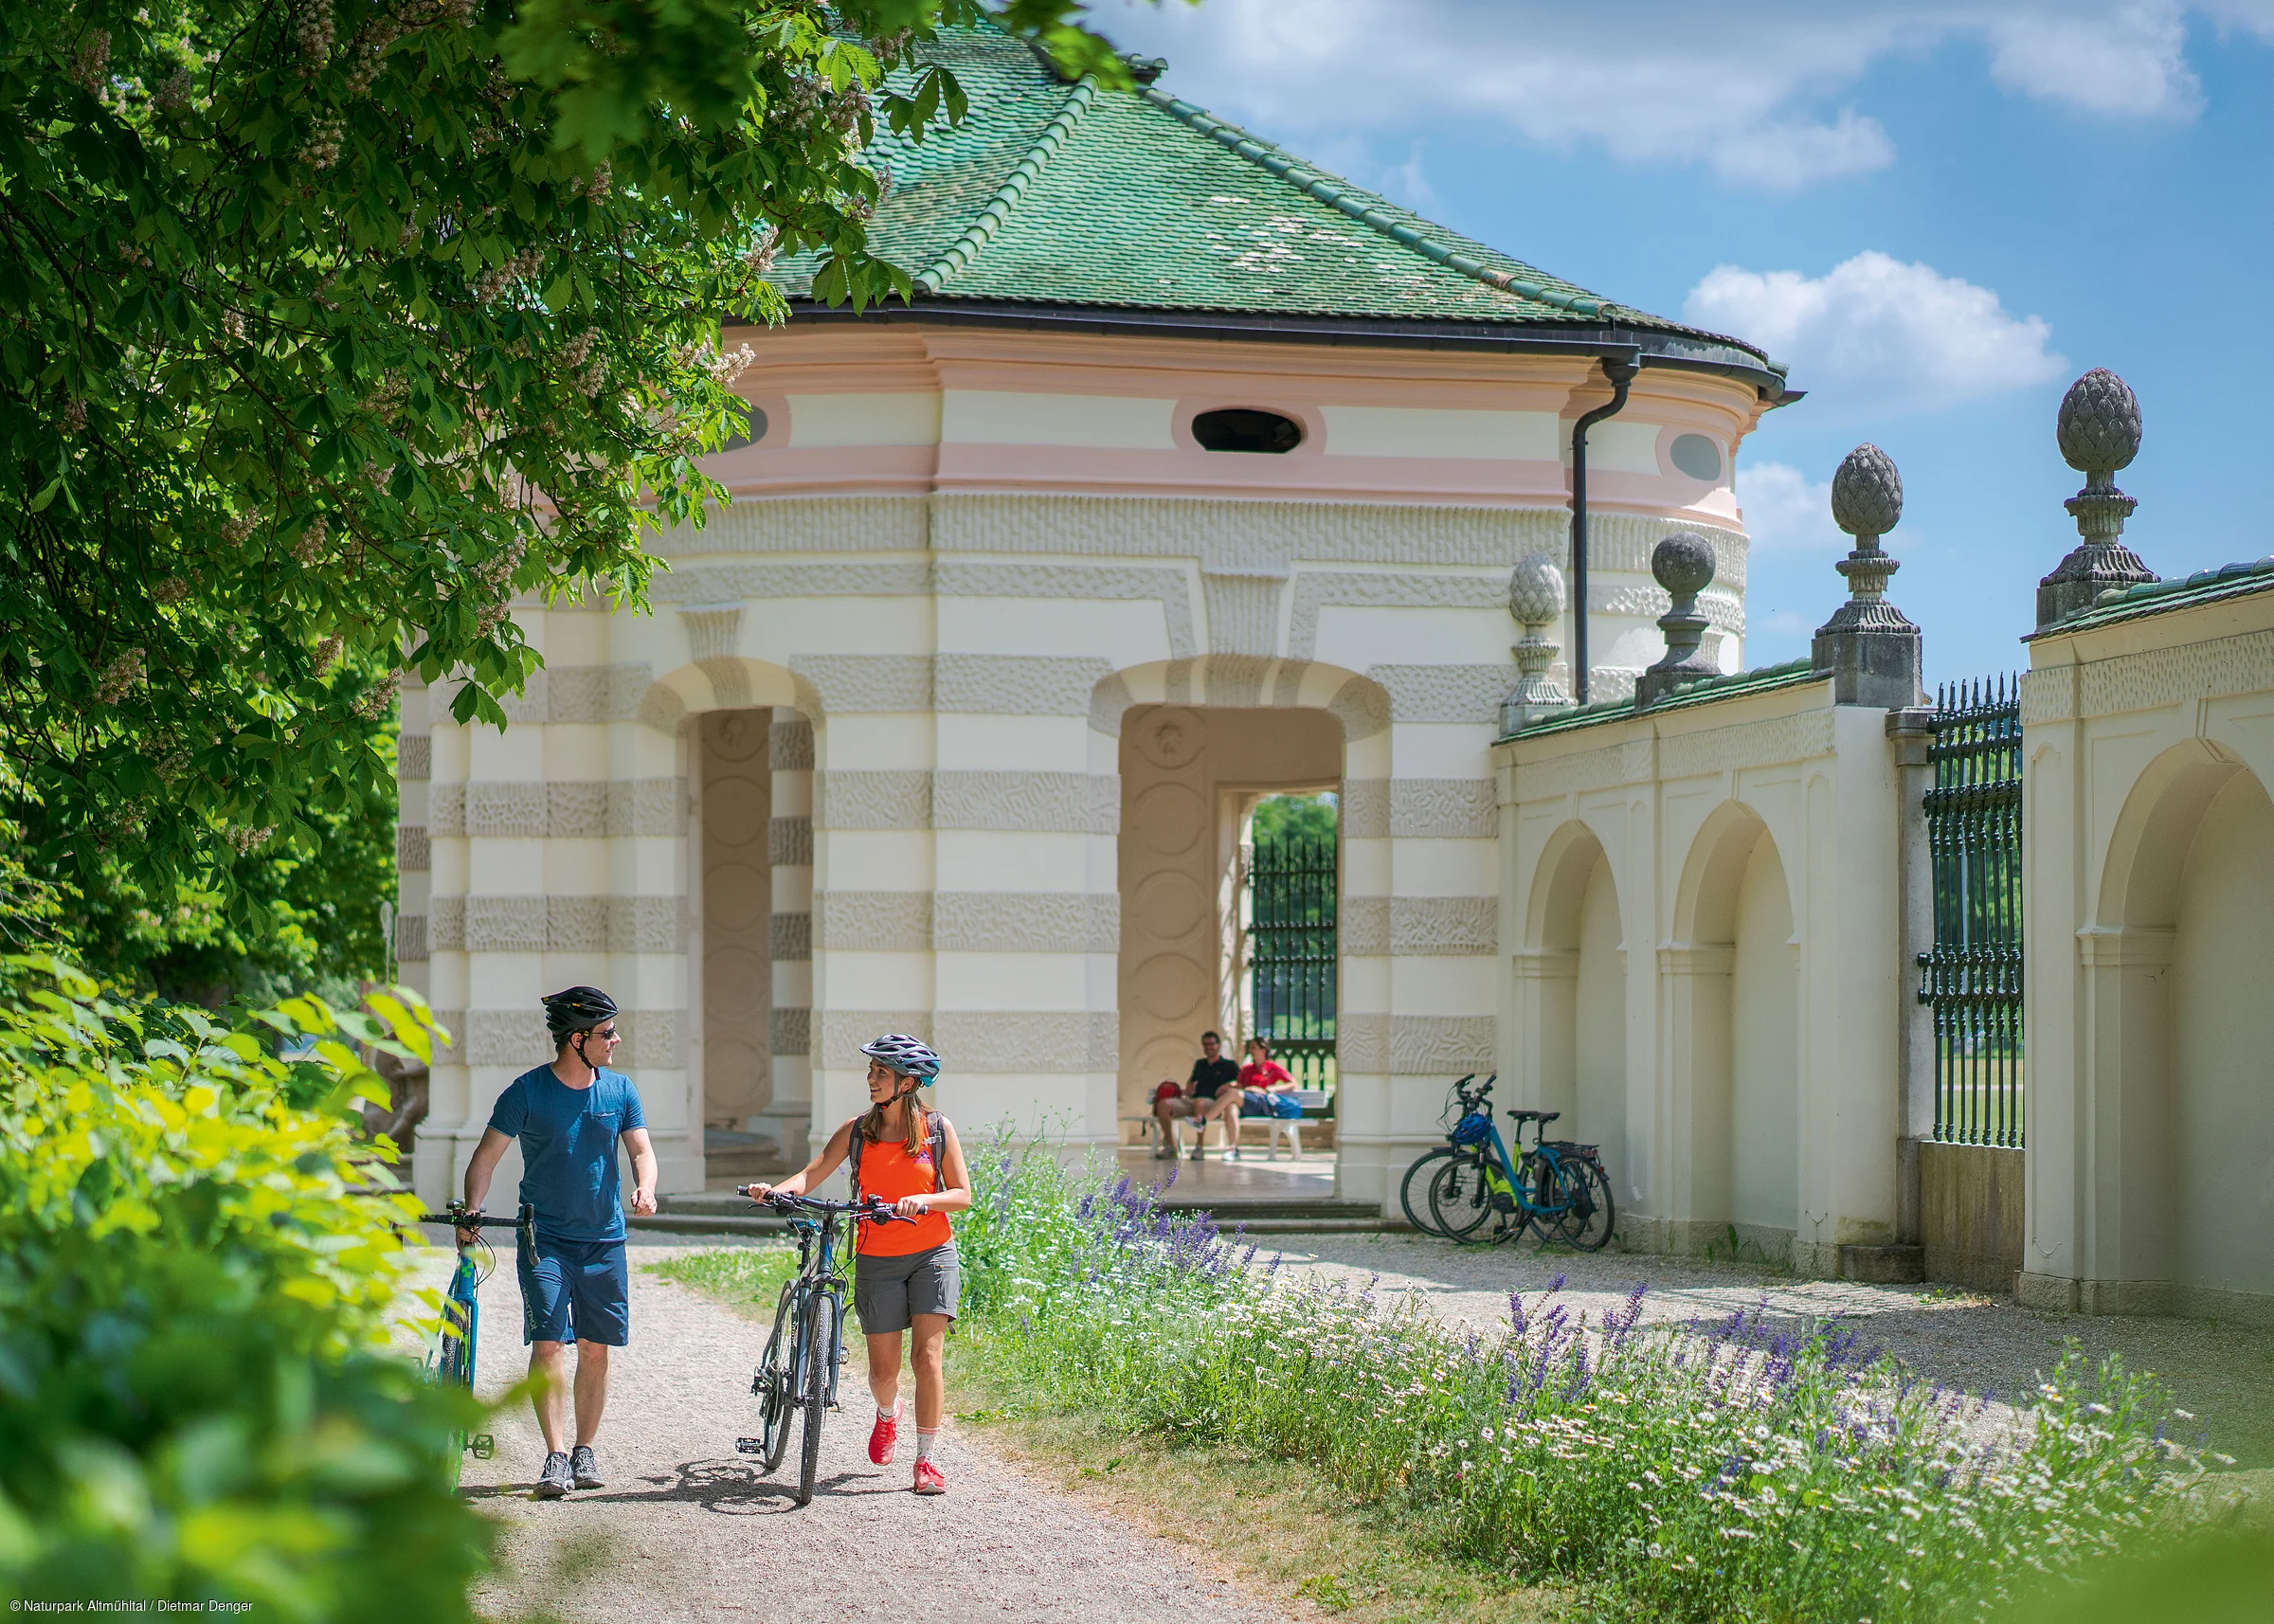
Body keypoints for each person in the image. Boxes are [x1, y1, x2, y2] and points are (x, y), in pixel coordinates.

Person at [746, 1034, 970, 1495]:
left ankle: (926, 1460)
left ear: (907, 1083)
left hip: (932, 1254)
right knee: (883, 1373)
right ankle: (888, 1414)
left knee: (926, 1358)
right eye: (871, 1070)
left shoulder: (936, 1129)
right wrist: (776, 1191)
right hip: (877, 1258)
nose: (871, 1078)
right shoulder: (856, 1132)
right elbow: (812, 1173)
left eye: (881, 1072)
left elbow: (962, 1195)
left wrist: (923, 1200)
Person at [459, 986, 659, 1500]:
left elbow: (641, 1150)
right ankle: (555, 1454)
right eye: (606, 1033)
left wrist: (646, 1186)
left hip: (604, 1240)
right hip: (543, 1239)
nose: (616, 1040)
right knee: (548, 1343)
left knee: (594, 1346)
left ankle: (584, 1449)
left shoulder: (620, 1090)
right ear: (577, 1040)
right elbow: (485, 1157)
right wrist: (473, 1209)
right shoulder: (526, 1093)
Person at [1150, 1030, 1244, 1160]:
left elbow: (1240, 1082)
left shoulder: (1229, 1065)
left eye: (1212, 1044)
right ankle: (1171, 1147)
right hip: (1193, 1100)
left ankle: (1199, 1147)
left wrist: (1228, 1085)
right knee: (1163, 1104)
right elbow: (1192, 1081)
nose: (1209, 1047)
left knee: (1200, 1103)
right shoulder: (1200, 1064)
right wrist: (1189, 1087)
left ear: (1218, 1045)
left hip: (1214, 1103)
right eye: (1205, 1044)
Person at [1238, 1038, 1298, 1115]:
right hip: (1244, 1102)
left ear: (1263, 1050)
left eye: (1253, 1048)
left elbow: (1293, 1084)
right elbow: (1239, 1086)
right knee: (1231, 1106)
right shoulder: (1246, 1069)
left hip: (1261, 1104)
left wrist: (1274, 1089)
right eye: (1249, 1048)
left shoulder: (1272, 1068)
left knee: (1232, 1096)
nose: (1250, 1051)